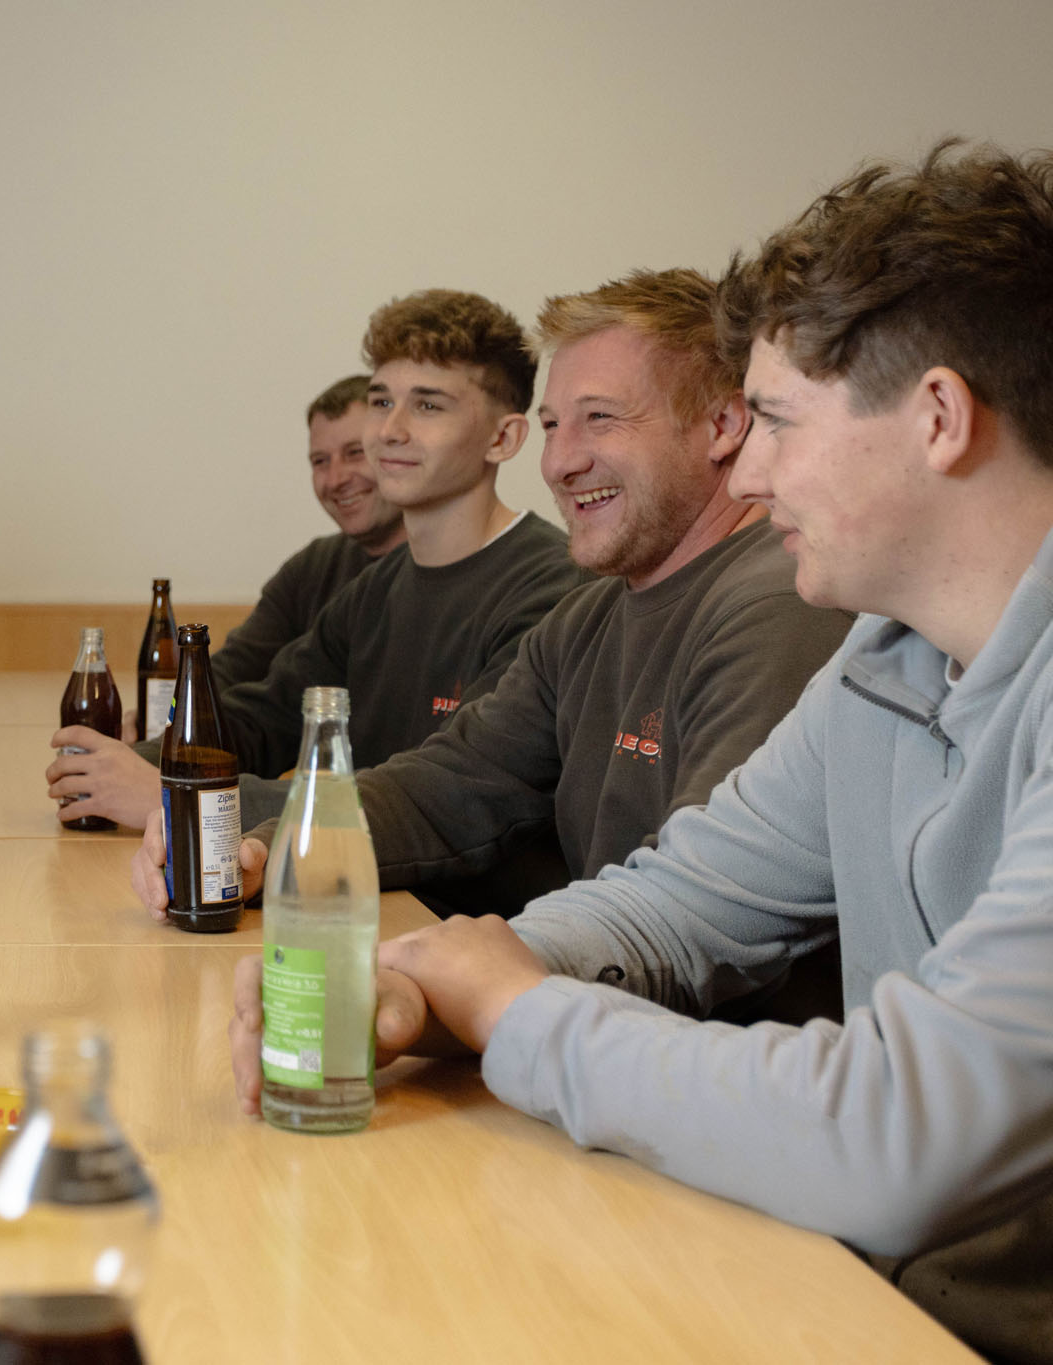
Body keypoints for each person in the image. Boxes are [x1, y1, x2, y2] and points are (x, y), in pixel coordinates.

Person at [239, 143, 1053, 1363]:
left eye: (775, 420)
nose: (752, 464)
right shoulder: (881, 659)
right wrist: (410, 978)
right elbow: (683, 902)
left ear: (936, 419)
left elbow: (896, 1139)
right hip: (867, 1299)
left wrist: (512, 1011)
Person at [133, 267, 853, 927]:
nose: (561, 461)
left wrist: (474, 979)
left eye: (600, 418)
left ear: (723, 426)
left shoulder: (776, 604)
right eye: (552, 426)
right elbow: (447, 786)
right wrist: (265, 844)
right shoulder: (589, 616)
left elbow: (695, 907)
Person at [51, 290, 586, 831]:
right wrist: (115, 767)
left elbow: (448, 796)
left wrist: (186, 797)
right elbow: (265, 716)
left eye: (427, 405)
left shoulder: (552, 594)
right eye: (381, 401)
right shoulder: (376, 589)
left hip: (469, 912)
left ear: (503, 437)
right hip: (363, 886)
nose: (390, 429)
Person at [202, 373, 407, 695]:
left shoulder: (439, 568)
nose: (336, 478)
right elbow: (227, 673)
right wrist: (166, 728)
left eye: (355, 452)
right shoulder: (313, 567)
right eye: (320, 461)